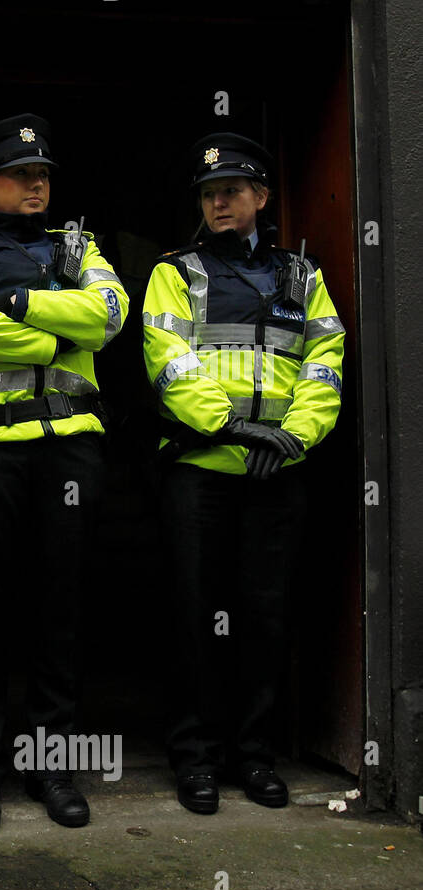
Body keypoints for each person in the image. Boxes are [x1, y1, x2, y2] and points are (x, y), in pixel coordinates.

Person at [0, 114, 128, 833]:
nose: (36, 186)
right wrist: (53, 332)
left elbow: (107, 315)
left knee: (61, 612)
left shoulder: (79, 245)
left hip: (71, 449)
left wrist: (17, 301)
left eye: (44, 175)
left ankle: (53, 768)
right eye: (21, 175)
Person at [141, 132, 344, 814]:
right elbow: (167, 357)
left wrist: (291, 436)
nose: (218, 201)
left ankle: (253, 758)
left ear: (261, 195)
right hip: (200, 471)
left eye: (230, 190)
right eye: (208, 193)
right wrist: (229, 425)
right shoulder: (178, 270)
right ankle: (195, 761)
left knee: (265, 618)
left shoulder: (302, 275)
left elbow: (325, 364)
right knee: (193, 620)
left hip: (275, 474)